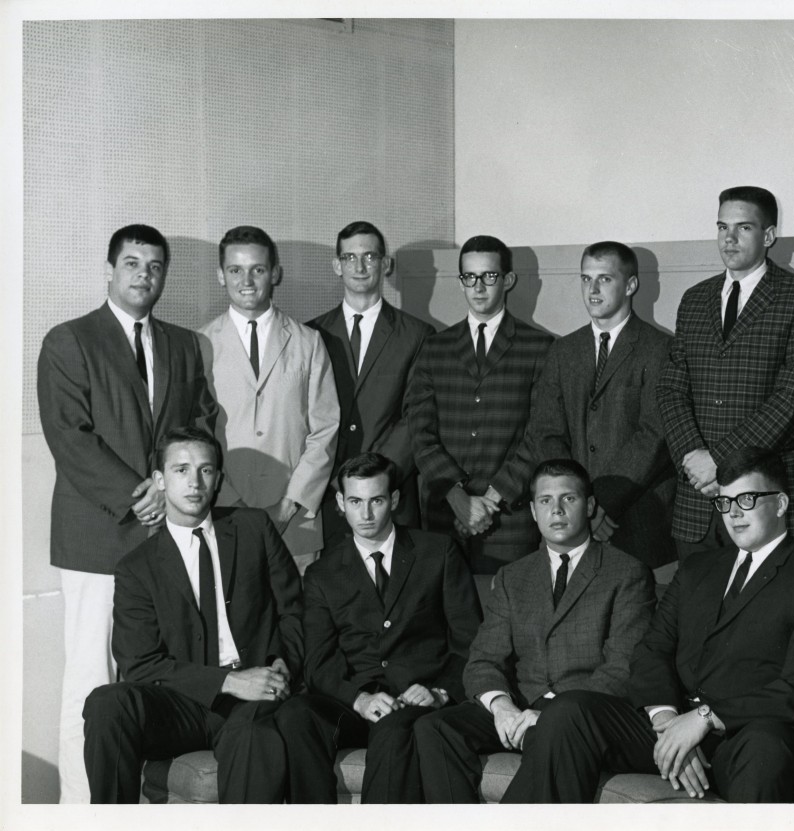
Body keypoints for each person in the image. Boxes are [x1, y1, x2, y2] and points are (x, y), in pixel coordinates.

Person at [506, 448, 794, 803]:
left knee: (767, 747)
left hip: (745, 736)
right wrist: (669, 723)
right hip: (675, 722)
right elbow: (652, 650)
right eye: (724, 501)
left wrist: (703, 719)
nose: (733, 513)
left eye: (746, 499)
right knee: (568, 711)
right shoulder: (698, 569)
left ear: (779, 504)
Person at [37, 224, 218, 803]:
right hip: (97, 536)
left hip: (165, 538)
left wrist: (176, 486)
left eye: (155, 266)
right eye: (133, 263)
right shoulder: (68, 341)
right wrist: (139, 492)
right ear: (110, 269)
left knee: (150, 678)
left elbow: (202, 424)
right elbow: (70, 437)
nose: (144, 275)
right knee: (91, 681)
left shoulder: (184, 345)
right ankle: (80, 808)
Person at [81, 428, 306, 803]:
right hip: (181, 703)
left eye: (205, 470)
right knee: (107, 702)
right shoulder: (137, 568)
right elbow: (139, 663)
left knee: (253, 733)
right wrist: (227, 682)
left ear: (218, 478)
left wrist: (282, 663)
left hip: (251, 700)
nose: (194, 482)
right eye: (181, 470)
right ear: (160, 480)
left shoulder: (253, 528)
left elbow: (295, 610)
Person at [414, 459, 656, 802]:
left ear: (589, 506)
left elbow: (622, 668)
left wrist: (544, 716)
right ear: (532, 510)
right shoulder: (514, 577)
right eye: (545, 501)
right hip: (520, 707)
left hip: (582, 716)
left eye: (568, 499)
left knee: (558, 724)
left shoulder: (627, 573)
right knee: (435, 727)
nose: (556, 510)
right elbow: (483, 660)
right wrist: (502, 707)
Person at [274, 452, 482, 803]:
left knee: (392, 729)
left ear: (395, 500)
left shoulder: (438, 552)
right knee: (296, 714)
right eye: (355, 501)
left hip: (416, 698)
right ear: (340, 502)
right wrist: (358, 699)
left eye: (376, 501)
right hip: (356, 702)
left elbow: (471, 641)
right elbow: (319, 661)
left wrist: (441, 692)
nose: (366, 514)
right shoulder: (322, 573)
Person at [657, 187, 794, 561]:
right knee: (697, 611)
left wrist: (718, 460)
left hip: (764, 495)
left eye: (743, 228)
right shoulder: (694, 299)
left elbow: (791, 397)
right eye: (722, 227)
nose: (728, 239)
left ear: (768, 236)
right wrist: (693, 458)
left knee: (769, 613)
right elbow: (671, 388)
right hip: (697, 498)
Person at [407, 235, 553, 573]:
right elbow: (420, 432)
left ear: (508, 280)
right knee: (448, 619)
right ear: (461, 283)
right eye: (469, 277)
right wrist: (457, 498)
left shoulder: (539, 347)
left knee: (508, 616)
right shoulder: (435, 348)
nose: (479, 287)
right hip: (445, 514)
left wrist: (490, 500)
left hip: (510, 517)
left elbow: (542, 433)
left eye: (489, 276)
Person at [198, 225, 339, 575]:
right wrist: (233, 504)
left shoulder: (308, 342)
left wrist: (289, 504)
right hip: (224, 514)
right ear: (221, 275)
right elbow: (196, 435)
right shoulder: (199, 344)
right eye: (235, 270)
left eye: (257, 269)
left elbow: (326, 430)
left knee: (297, 623)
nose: (247, 280)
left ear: (274, 273)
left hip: (295, 522)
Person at [526, 240, 675, 569]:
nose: (592, 290)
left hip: (635, 521)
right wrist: (574, 502)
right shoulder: (563, 351)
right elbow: (545, 432)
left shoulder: (660, 349)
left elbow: (655, 436)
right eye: (585, 279)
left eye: (604, 279)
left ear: (631, 285)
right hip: (569, 522)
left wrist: (600, 503)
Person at [307, 221, 434, 542]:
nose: (360, 266)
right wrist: (340, 484)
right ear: (337, 265)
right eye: (349, 258)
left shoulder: (418, 336)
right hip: (328, 494)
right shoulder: (311, 335)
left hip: (389, 495)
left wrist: (375, 483)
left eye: (370, 257)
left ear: (385, 264)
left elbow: (416, 417)